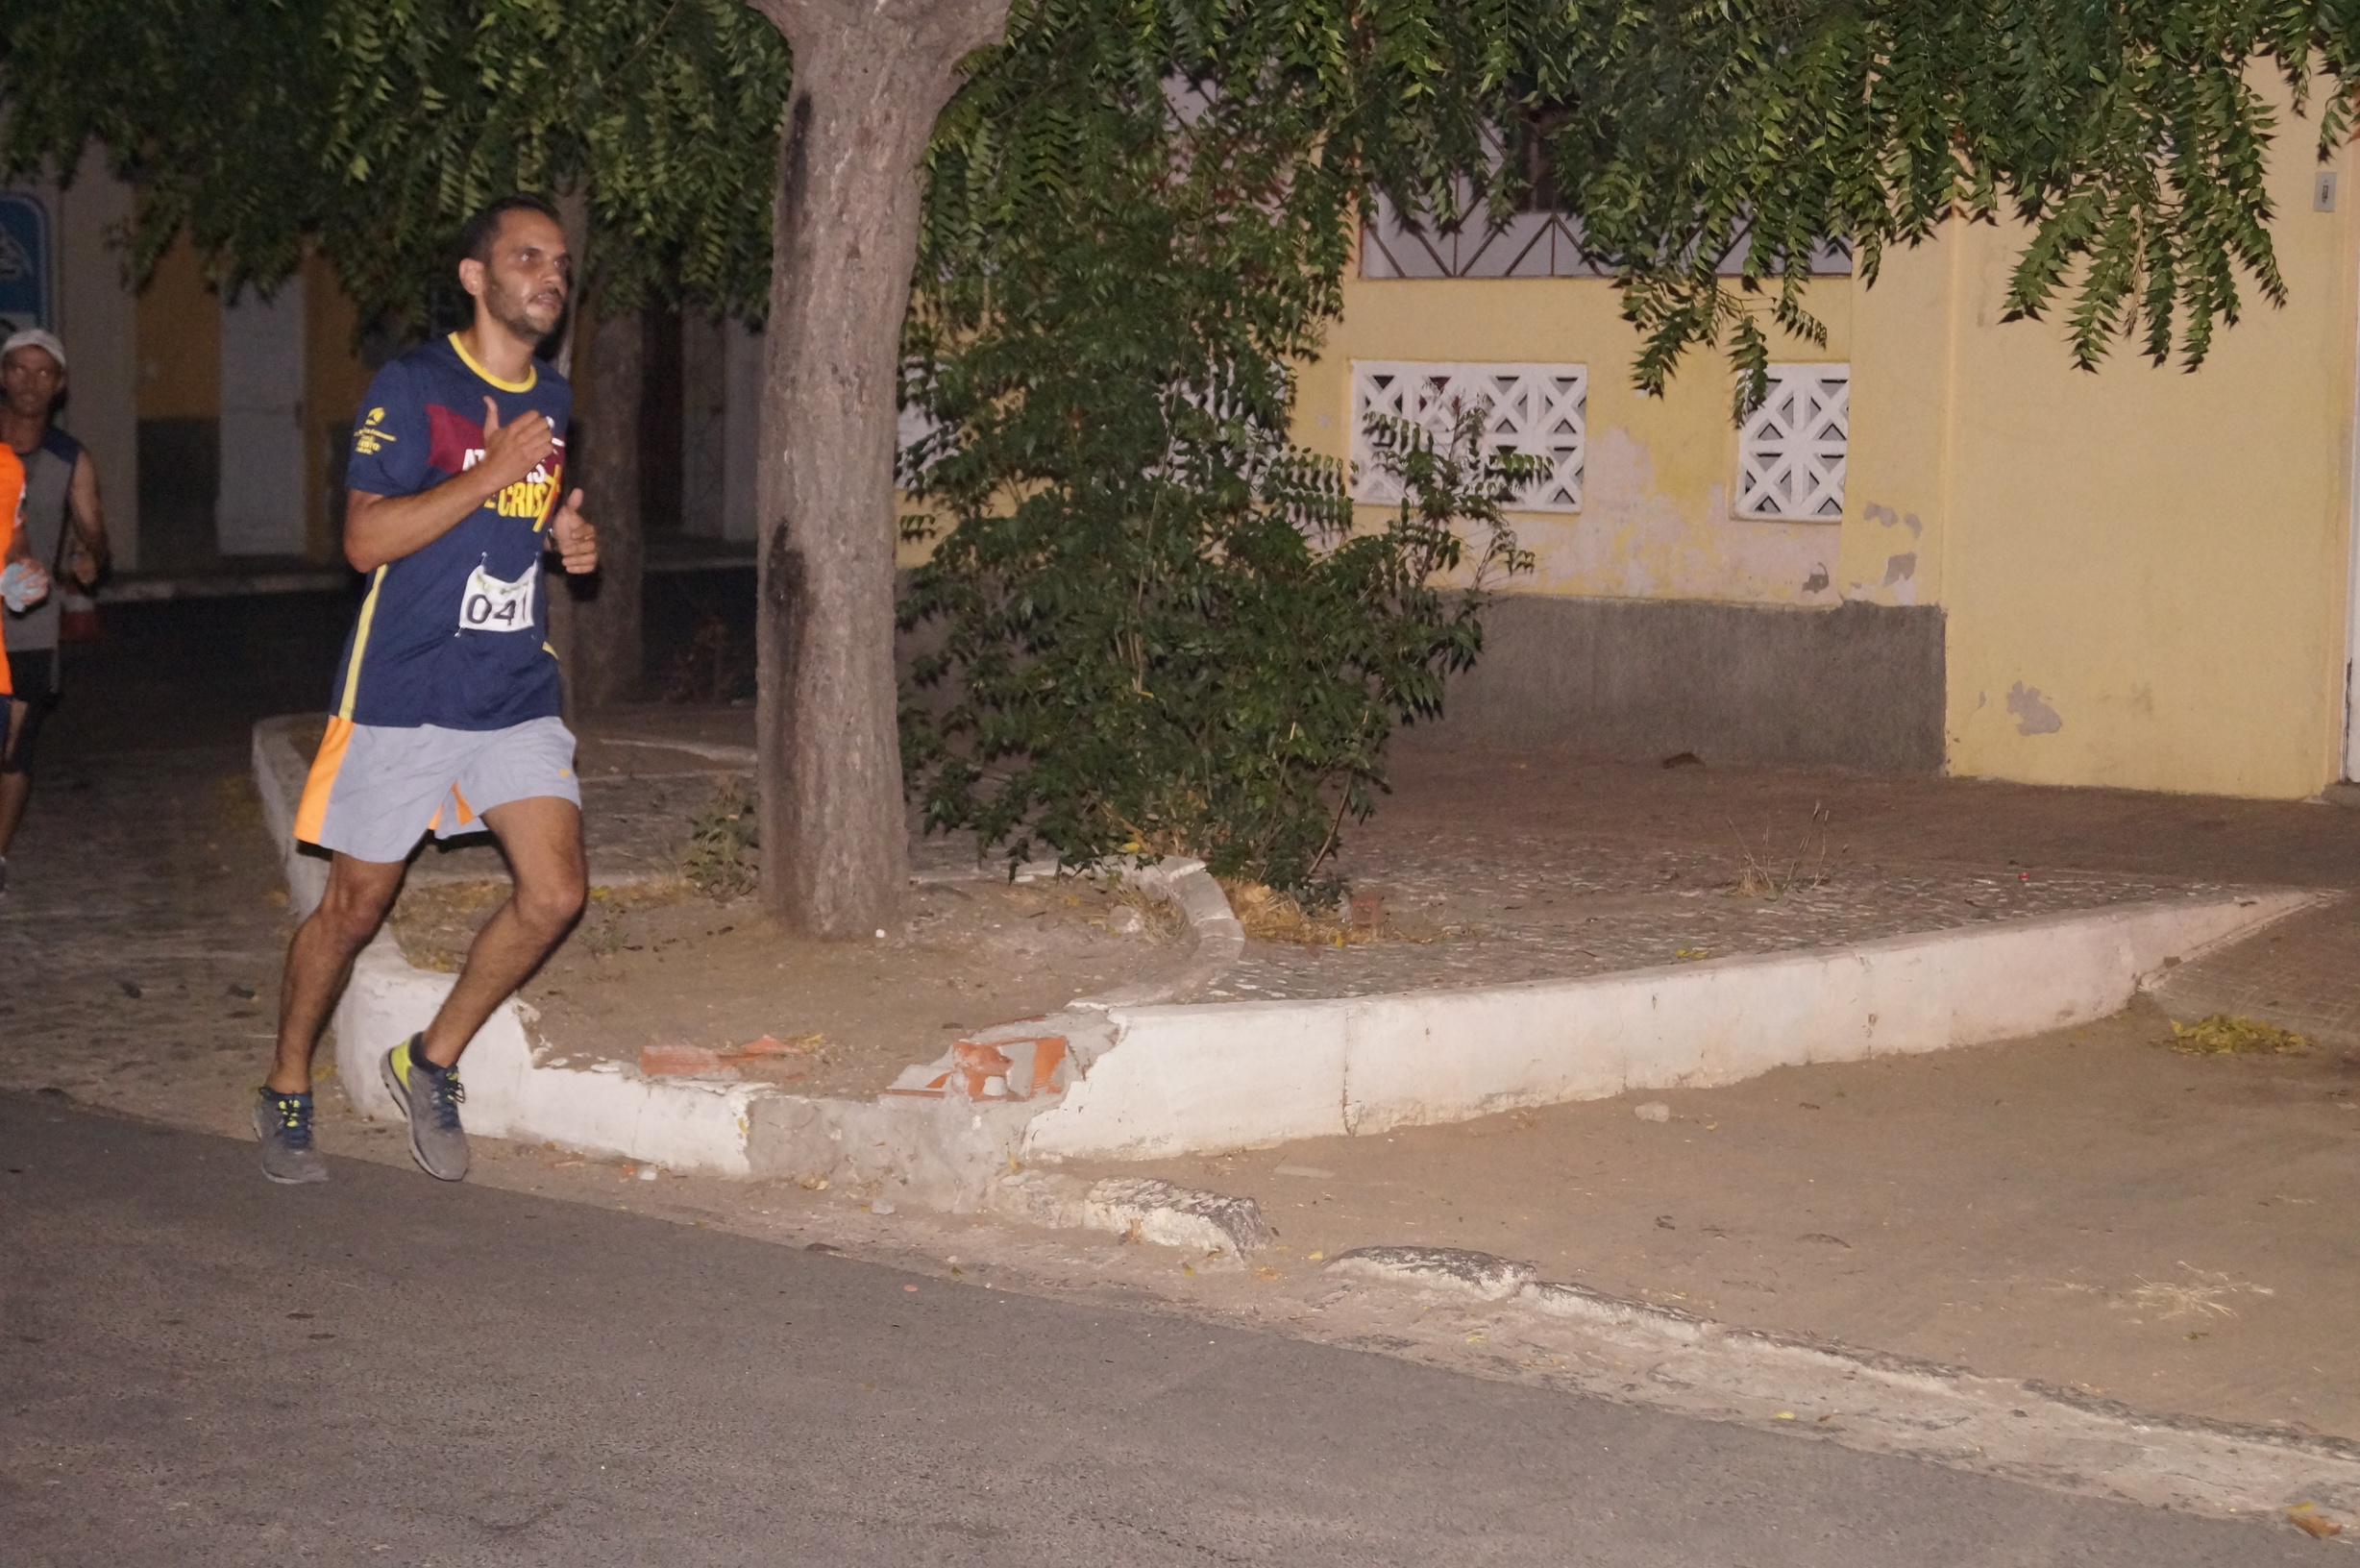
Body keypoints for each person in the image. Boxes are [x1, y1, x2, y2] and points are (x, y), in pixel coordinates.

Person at [256, 193, 597, 1186]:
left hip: (511, 687)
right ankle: (285, 1085)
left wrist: (562, 535)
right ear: (475, 277)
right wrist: (490, 472)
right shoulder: (412, 385)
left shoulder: (554, 399)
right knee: (354, 909)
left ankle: (429, 1060)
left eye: (560, 263)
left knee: (556, 892)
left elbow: (519, 516)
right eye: (527, 258)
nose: (549, 277)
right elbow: (366, 540)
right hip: (402, 689)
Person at [0, 328, 110, 894]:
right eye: (19, 369)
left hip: (29, 624)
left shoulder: (70, 458)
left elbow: (95, 537)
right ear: (3, 375)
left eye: (43, 372)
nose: (30, 382)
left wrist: (91, 560)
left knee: (13, 751)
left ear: (60, 384)